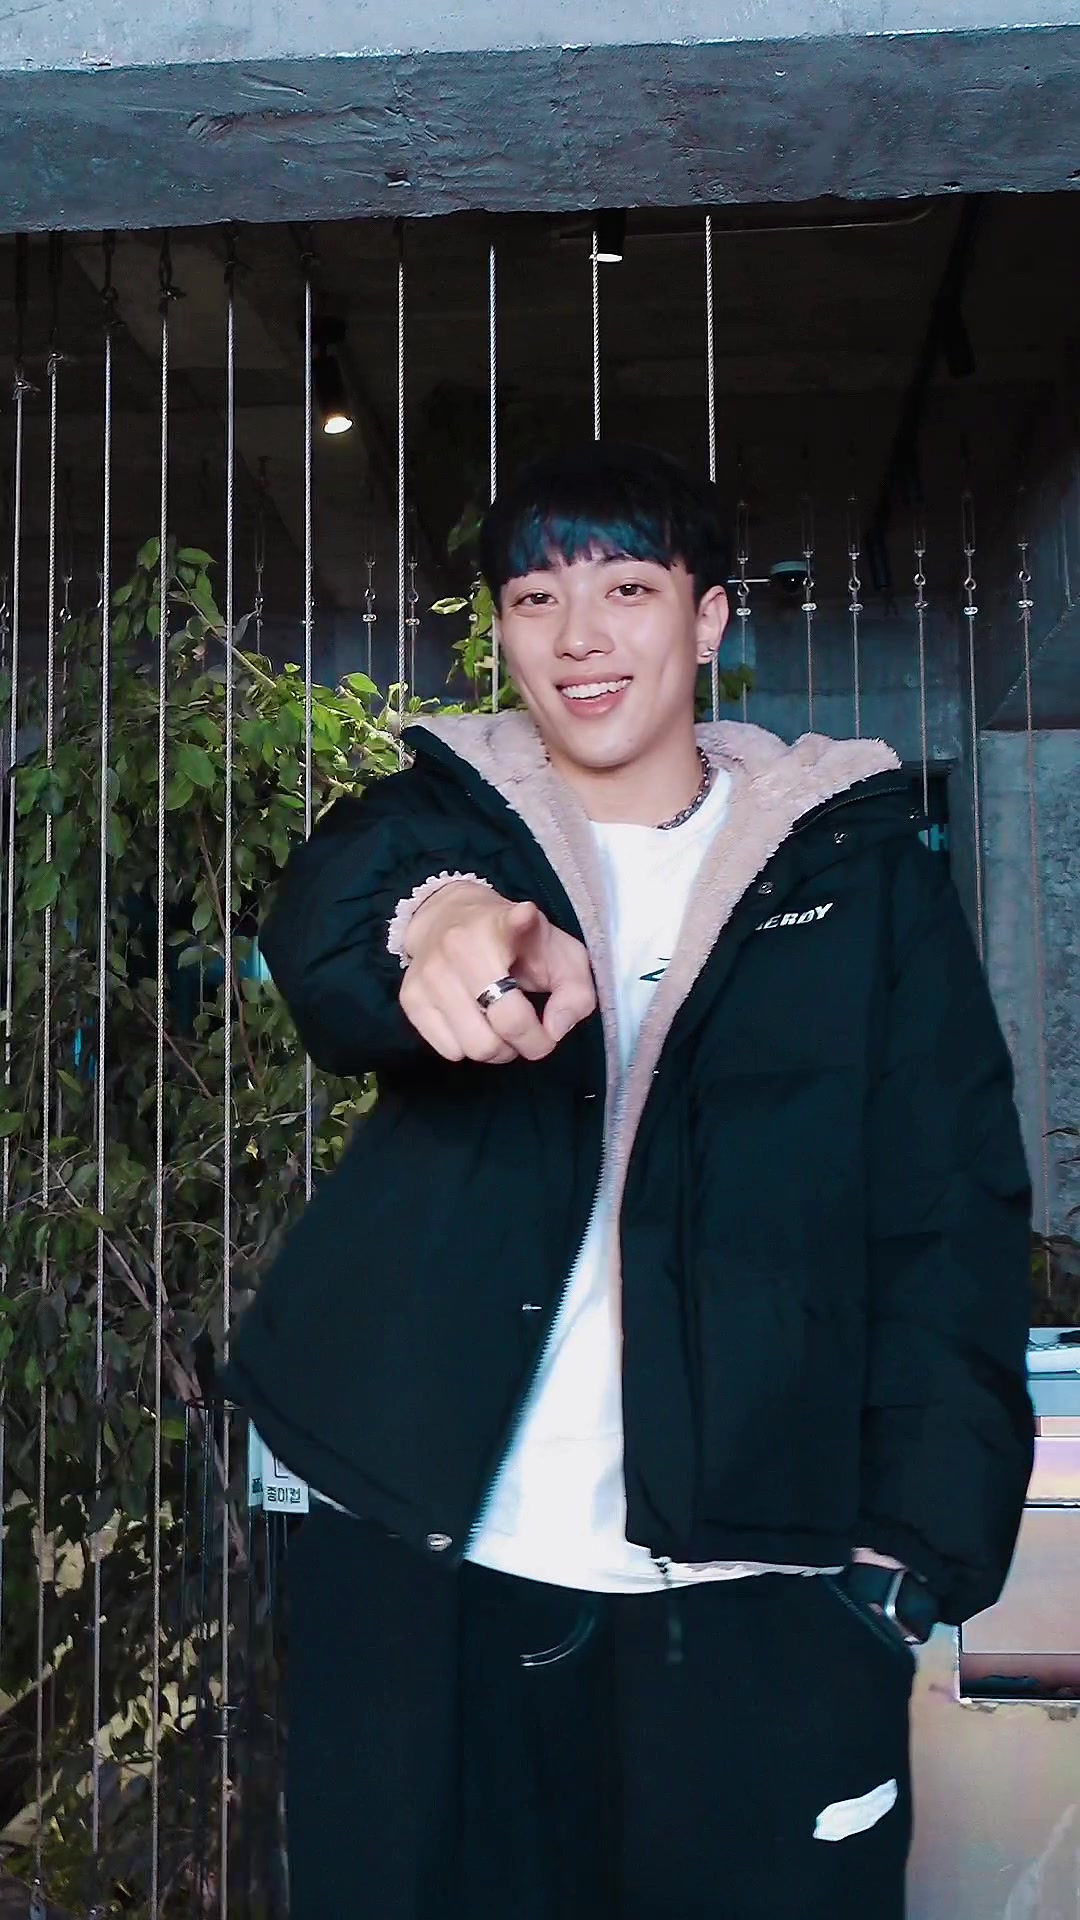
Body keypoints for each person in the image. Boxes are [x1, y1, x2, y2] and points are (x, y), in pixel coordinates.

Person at [223, 442, 1034, 1920]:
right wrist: (442, 925)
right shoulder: (445, 820)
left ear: (709, 617)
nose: (580, 636)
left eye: (627, 588)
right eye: (536, 598)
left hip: (764, 1577)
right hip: (437, 1561)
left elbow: (950, 1210)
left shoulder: (855, 869)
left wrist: (911, 1555)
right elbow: (333, 919)